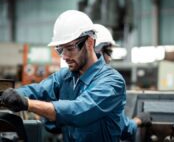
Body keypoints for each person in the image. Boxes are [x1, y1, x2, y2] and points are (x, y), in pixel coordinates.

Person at [1, 10, 127, 142]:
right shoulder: (66, 76)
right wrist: (9, 95)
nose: (65, 56)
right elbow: (38, 90)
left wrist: (27, 103)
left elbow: (78, 111)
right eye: (60, 50)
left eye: (70, 48)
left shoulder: (112, 82)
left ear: (89, 42)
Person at [91, 24, 152, 141]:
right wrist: (138, 120)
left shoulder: (71, 82)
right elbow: (122, 128)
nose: (109, 58)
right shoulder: (106, 86)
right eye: (107, 52)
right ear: (94, 51)